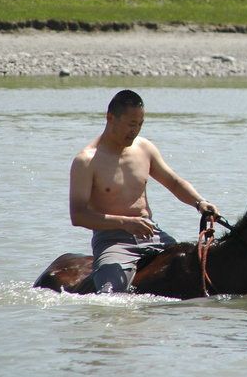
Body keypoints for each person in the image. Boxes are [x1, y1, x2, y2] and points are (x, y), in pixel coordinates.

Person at [69, 89, 219, 293]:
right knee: (109, 296)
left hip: (153, 234)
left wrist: (199, 202)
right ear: (110, 118)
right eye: (131, 124)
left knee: (197, 269)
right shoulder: (86, 161)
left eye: (140, 124)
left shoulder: (144, 148)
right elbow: (78, 216)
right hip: (113, 241)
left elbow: (174, 182)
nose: (136, 130)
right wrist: (126, 222)